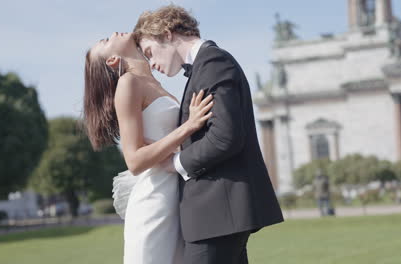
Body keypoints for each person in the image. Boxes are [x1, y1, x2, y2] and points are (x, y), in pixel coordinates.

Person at [133, 5, 284, 264]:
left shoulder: (213, 62)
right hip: (218, 216)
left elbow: (226, 137)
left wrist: (175, 163)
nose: (153, 64)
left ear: (167, 34)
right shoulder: (204, 67)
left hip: (218, 214)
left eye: (150, 52)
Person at [83, 31, 214, 264]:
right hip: (154, 201)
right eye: (106, 40)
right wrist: (190, 126)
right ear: (113, 60)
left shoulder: (154, 82)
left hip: (177, 198)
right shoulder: (128, 83)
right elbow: (133, 161)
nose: (113, 33)